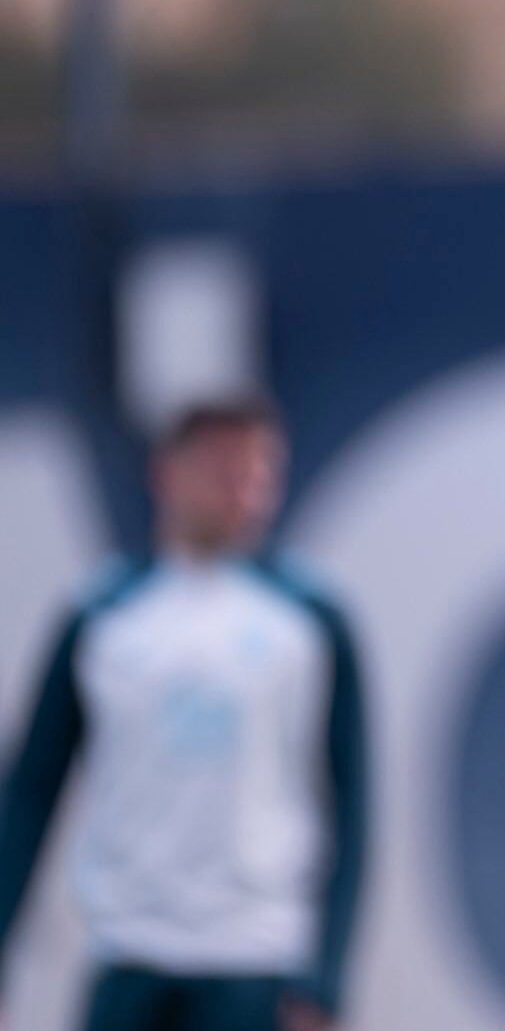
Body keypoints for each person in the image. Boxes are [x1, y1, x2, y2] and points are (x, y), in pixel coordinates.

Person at [0, 396, 369, 1031]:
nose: (242, 489)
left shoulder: (312, 620)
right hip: (129, 953)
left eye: (258, 471)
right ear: (166, 472)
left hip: (255, 961)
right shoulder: (102, 616)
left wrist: (326, 974)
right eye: (223, 466)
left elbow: (353, 802)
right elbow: (31, 793)